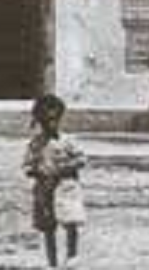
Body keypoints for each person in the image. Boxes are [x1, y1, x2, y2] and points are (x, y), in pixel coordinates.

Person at [24, 93, 86, 269]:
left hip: (66, 188)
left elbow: (82, 159)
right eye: (46, 121)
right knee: (48, 227)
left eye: (54, 120)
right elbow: (27, 165)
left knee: (71, 220)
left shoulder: (67, 141)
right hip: (44, 190)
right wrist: (36, 172)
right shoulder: (35, 143)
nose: (50, 124)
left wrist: (64, 168)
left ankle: (72, 256)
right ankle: (52, 263)